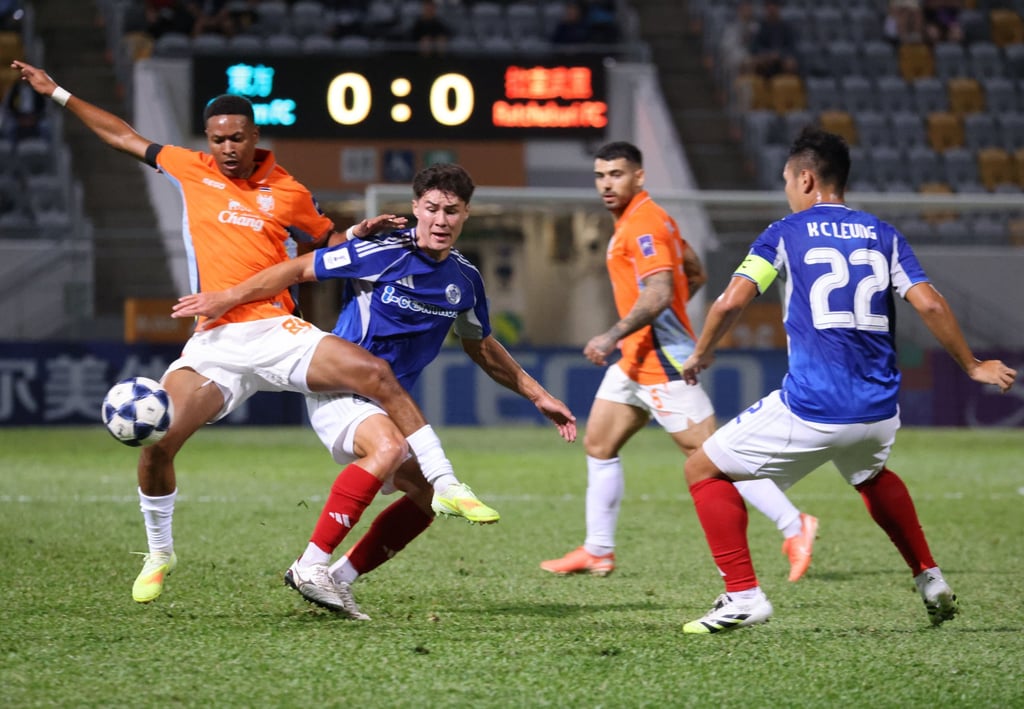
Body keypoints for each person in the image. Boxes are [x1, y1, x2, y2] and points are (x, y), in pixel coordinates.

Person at [10, 59, 496, 605]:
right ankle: (159, 551)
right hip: (215, 341)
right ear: (208, 141)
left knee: (374, 373)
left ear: (254, 135)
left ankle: (440, 484)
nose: (227, 149)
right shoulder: (189, 169)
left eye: (236, 138)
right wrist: (57, 92)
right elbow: (123, 136)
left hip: (275, 327)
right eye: (217, 139)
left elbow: (325, 238)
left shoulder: (286, 189)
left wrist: (356, 232)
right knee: (158, 444)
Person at [172, 163, 578, 618]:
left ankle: (339, 580)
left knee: (425, 499)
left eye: (452, 211)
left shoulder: (464, 280)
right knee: (387, 447)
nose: (440, 220)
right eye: (431, 209)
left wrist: (537, 393)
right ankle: (310, 565)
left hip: (388, 401)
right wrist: (227, 298)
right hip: (340, 386)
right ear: (415, 209)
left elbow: (480, 344)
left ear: (466, 215)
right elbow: (299, 268)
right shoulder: (383, 253)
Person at [678, 126, 1017, 634]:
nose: (788, 191)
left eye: (789, 181)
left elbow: (730, 301)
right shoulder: (884, 235)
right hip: (879, 410)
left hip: (814, 406)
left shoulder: (784, 234)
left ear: (807, 179)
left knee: (703, 470)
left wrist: (701, 353)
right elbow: (929, 302)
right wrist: (972, 365)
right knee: (871, 474)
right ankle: (931, 578)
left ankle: (743, 596)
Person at [540, 141, 818, 582]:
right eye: (600, 175)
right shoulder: (650, 219)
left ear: (639, 176)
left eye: (617, 174)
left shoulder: (644, 223)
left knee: (716, 456)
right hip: (635, 362)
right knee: (599, 444)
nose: (607, 183)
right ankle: (597, 550)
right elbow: (693, 269)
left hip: (662, 363)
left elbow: (659, 291)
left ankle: (794, 524)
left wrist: (613, 334)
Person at [748, 0, 799, 79]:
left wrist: (779, 54)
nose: (771, 9)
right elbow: (754, 47)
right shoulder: (760, 27)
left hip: (782, 59)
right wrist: (766, 54)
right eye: (768, 7)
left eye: (774, 6)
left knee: (791, 63)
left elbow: (792, 47)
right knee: (753, 62)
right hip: (764, 59)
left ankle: (789, 89)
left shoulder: (786, 27)